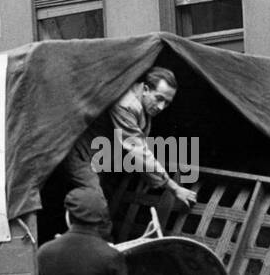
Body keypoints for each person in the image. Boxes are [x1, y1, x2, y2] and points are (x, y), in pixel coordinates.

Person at [62, 66, 198, 210]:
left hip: (100, 161)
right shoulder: (126, 104)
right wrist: (174, 187)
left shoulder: (143, 105)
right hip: (80, 157)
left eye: (167, 103)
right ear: (145, 89)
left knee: (103, 200)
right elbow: (137, 149)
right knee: (95, 203)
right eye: (159, 99)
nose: (161, 107)